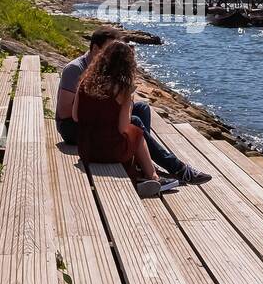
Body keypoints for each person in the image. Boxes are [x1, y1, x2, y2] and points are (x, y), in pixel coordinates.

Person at [55, 28, 211, 185]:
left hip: (86, 143)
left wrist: (106, 108)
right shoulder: (76, 69)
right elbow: (67, 114)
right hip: (73, 128)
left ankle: (143, 160)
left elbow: (78, 114)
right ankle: (166, 170)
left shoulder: (86, 80)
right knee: (135, 123)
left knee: (142, 108)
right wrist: (123, 106)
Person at [72, 39, 176, 198]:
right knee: (137, 133)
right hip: (110, 152)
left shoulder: (85, 82)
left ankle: (138, 177)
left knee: (131, 134)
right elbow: (123, 127)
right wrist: (130, 103)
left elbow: (75, 116)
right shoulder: (122, 88)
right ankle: (153, 177)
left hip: (87, 149)